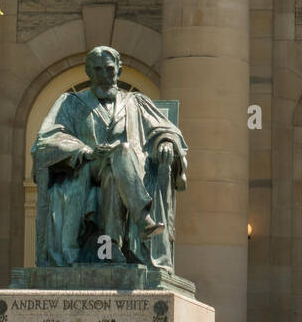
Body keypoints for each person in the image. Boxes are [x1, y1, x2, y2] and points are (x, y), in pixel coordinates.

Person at [32, 45, 187, 269]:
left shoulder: (136, 102)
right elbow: (47, 140)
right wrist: (85, 151)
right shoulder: (70, 103)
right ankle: (143, 218)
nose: (105, 76)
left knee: (119, 164)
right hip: (87, 167)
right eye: (98, 70)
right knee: (121, 154)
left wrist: (165, 143)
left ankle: (112, 247)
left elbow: (165, 130)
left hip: (124, 172)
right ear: (88, 72)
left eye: (109, 69)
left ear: (119, 70)